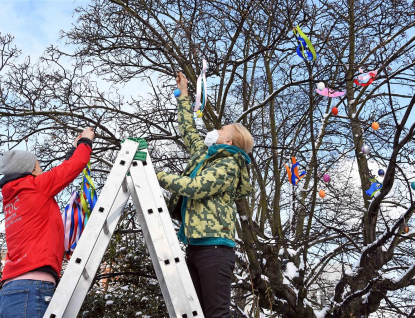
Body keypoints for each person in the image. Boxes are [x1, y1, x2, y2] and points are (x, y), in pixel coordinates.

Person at [157, 72, 254, 317]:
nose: (215, 129)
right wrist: (184, 97)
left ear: (230, 139)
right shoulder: (205, 156)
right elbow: (188, 130)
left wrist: (155, 174)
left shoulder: (230, 165)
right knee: (195, 312)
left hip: (216, 249)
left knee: (215, 313)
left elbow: (195, 187)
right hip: (195, 246)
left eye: (221, 128)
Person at [0, 128, 95, 318]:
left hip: (11, 290)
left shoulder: (13, 198)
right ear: (32, 169)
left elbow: (61, 169)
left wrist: (73, 149)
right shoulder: (36, 187)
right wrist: (86, 141)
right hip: (32, 290)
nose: (42, 169)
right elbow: (73, 166)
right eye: (39, 165)